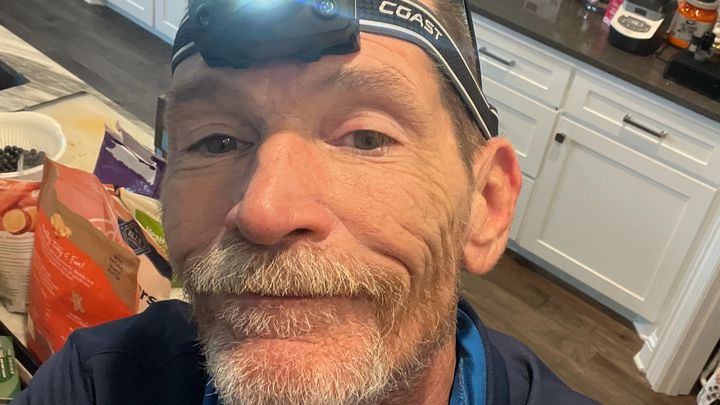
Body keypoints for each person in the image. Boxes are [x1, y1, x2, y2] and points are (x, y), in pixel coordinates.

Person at [13, 0, 601, 404]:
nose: (264, 212)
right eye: (216, 141)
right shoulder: (97, 383)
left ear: (485, 205)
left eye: (366, 138)